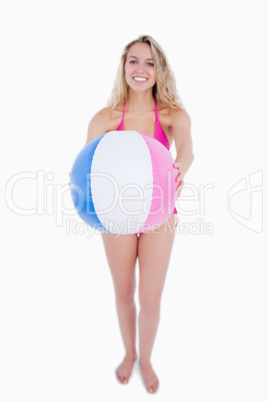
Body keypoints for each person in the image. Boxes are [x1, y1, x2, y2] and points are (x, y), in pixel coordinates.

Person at [71, 35, 194, 393]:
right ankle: (129, 353)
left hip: (160, 213)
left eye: (150, 62)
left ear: (160, 71)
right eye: (134, 61)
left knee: (152, 299)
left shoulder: (172, 115)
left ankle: (147, 359)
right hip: (116, 215)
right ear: (124, 68)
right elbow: (88, 165)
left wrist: (179, 168)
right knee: (124, 292)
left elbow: (186, 148)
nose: (141, 69)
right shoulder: (106, 118)